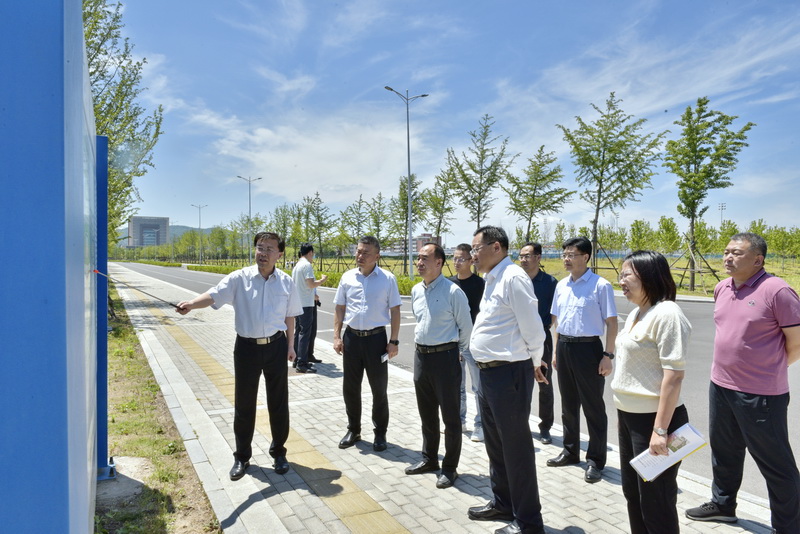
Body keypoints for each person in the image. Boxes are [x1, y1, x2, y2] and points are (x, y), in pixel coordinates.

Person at [686, 233, 800, 533]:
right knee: (724, 451)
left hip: (761, 394)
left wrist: (770, 367)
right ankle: (723, 505)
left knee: (776, 464)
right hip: (721, 386)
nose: (728, 257)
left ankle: (789, 526)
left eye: (736, 253)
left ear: (758, 260)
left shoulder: (777, 291)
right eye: (726, 251)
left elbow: (796, 342)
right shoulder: (722, 287)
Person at [176, 232, 301, 481]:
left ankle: (279, 453)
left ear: (279, 254)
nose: (263, 253)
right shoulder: (239, 278)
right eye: (259, 247)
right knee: (244, 404)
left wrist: (291, 346)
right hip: (246, 348)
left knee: (278, 402)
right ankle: (242, 456)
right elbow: (214, 295)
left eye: (269, 249)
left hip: (276, 346)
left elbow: (290, 316)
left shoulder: (286, 282)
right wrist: (191, 304)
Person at [466, 226, 548, 534]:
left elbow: (533, 328)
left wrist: (536, 361)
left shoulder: (513, 278)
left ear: (496, 247)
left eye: (476, 249)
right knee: (496, 445)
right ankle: (503, 503)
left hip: (509, 373)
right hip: (489, 374)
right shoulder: (492, 278)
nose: (472, 255)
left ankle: (529, 522)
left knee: (516, 449)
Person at [611, 250, 692, 534]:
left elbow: (674, 376)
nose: (621, 281)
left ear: (648, 276)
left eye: (626, 275)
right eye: (620, 275)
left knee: (655, 500)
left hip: (655, 422)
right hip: (631, 418)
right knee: (633, 493)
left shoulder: (667, 313)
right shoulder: (637, 312)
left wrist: (660, 430)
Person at [548, 236, 617, 484]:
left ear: (585, 257)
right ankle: (570, 451)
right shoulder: (561, 285)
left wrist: (608, 355)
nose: (566, 259)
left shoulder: (601, 286)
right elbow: (557, 321)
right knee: (568, 404)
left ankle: (596, 460)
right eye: (564, 254)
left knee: (593, 407)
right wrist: (556, 352)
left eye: (571, 254)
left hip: (589, 349)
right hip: (564, 347)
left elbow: (612, 323)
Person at [406, 243, 472, 489]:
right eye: (418, 258)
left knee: (451, 418)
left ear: (439, 262)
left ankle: (450, 468)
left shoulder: (453, 292)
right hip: (421, 357)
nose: (419, 263)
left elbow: (466, 328)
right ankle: (429, 459)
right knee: (427, 414)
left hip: (446, 358)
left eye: (425, 258)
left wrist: (458, 353)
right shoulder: (416, 290)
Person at [333, 236, 401, 452]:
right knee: (350, 388)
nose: (360, 255)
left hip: (376, 340)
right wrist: (336, 336)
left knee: (379, 389)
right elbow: (340, 307)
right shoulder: (347, 277)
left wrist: (394, 340)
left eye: (365, 253)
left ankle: (380, 433)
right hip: (352, 339)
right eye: (358, 251)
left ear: (377, 256)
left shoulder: (387, 279)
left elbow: (395, 310)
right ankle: (353, 429)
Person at [518, 242, 558, 445]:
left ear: (538, 257)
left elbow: (555, 313)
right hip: (518, 337)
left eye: (527, 256)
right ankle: (520, 425)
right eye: (521, 256)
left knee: (544, 382)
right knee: (520, 383)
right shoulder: (517, 280)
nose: (523, 260)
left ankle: (545, 427)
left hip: (542, 337)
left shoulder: (550, 282)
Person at [449, 243, 485, 442]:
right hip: (454, 342)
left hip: (474, 343)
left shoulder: (480, 285)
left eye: (461, 258)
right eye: (454, 258)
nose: (457, 262)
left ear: (471, 260)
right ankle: (460, 421)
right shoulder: (449, 284)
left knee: (478, 387)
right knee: (457, 385)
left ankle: (480, 425)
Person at [291, 242, 327, 373]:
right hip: (306, 304)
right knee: (305, 333)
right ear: (310, 252)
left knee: (298, 332)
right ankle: (302, 363)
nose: (313, 256)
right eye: (313, 254)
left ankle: (296, 360)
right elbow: (311, 284)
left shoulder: (297, 266)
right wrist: (322, 280)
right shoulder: (306, 265)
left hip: (298, 303)